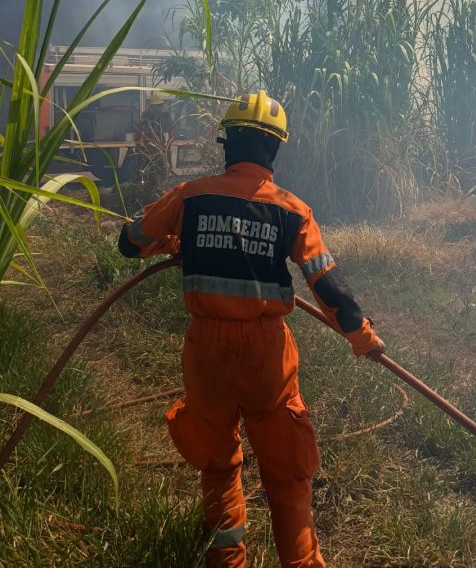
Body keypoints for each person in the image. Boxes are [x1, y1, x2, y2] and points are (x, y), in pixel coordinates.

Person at [118, 90, 385, 568]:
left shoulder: (191, 195)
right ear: (275, 151)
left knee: (219, 465)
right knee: (286, 471)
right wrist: (361, 336)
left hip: (207, 352)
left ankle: (227, 561)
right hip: (267, 355)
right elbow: (326, 282)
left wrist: (176, 243)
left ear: (227, 145)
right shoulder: (293, 210)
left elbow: (131, 242)